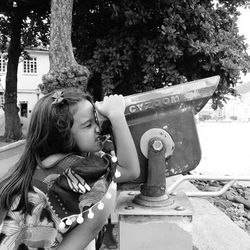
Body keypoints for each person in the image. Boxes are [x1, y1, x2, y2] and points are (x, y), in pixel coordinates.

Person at [0, 87, 140, 250]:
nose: (98, 128)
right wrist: (117, 116)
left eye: (97, 119)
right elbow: (130, 170)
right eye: (88, 125)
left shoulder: (35, 166)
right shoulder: (77, 170)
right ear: (63, 136)